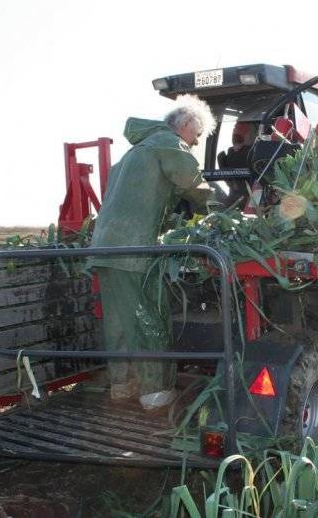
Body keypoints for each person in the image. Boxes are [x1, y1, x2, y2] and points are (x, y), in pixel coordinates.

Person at [89, 94, 216, 409]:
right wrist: (228, 212)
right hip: (133, 250)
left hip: (104, 249)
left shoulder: (133, 153)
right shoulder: (168, 144)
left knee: (118, 323)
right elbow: (195, 186)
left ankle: (122, 387)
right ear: (185, 125)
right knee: (147, 317)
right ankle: (155, 394)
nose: (196, 143)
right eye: (197, 135)